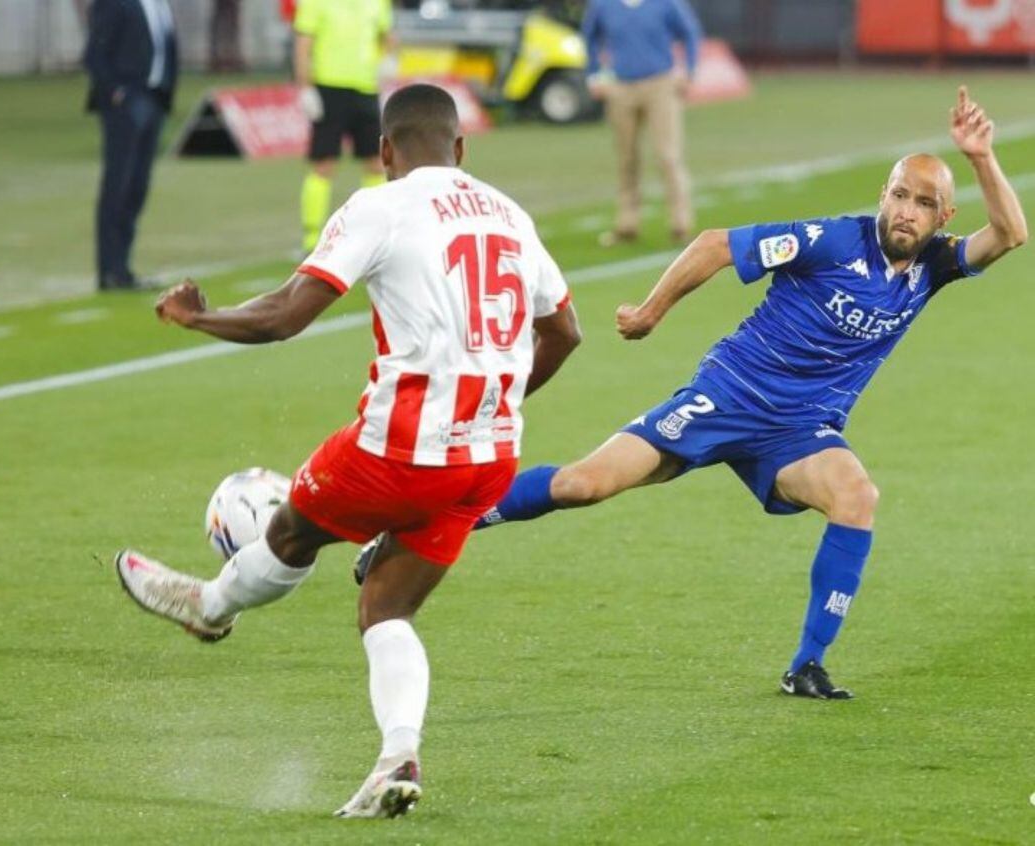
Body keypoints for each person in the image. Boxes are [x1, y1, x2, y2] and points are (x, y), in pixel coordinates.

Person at [361, 86, 1027, 700]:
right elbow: (714, 245)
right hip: (727, 397)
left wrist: (981, 156)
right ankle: (429, 522)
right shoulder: (829, 241)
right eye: (899, 195)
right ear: (883, 195)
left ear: (943, 216)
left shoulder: (933, 268)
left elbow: (1009, 234)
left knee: (857, 497)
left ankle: (807, 666)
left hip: (800, 431)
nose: (906, 211)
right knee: (584, 484)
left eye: (923, 203)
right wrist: (651, 312)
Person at [114, 85, 582, 818]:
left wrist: (201, 317)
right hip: (489, 457)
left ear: (385, 150)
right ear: (460, 148)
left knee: (290, 533)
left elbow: (283, 316)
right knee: (387, 608)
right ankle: (398, 756)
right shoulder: (510, 214)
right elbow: (566, 333)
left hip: (398, 450)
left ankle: (210, 605)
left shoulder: (380, 206)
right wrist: (499, 403)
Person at [582, 0, 702, 247]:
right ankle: (627, 224)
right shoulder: (603, 5)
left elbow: (690, 32)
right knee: (627, 158)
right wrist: (593, 75)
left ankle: (681, 224)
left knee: (668, 156)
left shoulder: (666, 3)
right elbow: (589, 36)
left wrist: (689, 70)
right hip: (620, 85)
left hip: (661, 84)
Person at [84, 0, 178, 291]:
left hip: (154, 98)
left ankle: (123, 267)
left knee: (137, 186)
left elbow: (166, 46)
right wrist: (116, 92)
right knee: (118, 185)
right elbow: (94, 53)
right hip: (127, 100)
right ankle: (109, 270)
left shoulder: (159, 4)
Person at [293, 0, 394, 252]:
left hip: (366, 88)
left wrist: (389, 59)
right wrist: (305, 87)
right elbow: (303, 45)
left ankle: (374, 234)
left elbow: (387, 35)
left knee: (375, 162)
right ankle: (312, 237)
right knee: (324, 163)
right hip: (329, 87)